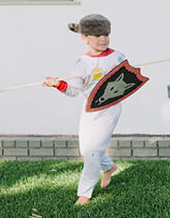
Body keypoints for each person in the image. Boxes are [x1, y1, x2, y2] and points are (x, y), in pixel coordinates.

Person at [42, 14, 127, 205]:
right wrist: (58, 84)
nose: (103, 39)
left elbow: (127, 79)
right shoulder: (82, 63)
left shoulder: (117, 57)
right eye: (97, 35)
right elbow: (74, 90)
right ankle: (108, 167)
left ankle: (84, 194)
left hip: (110, 108)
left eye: (106, 34)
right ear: (84, 38)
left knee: (93, 151)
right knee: (87, 150)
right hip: (90, 108)